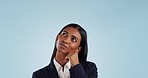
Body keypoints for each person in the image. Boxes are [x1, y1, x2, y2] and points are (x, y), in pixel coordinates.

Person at [32, 23, 98, 78]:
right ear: (57, 37)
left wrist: (76, 66)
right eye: (64, 34)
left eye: (73, 39)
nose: (65, 40)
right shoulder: (39, 75)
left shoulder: (89, 68)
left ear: (78, 49)